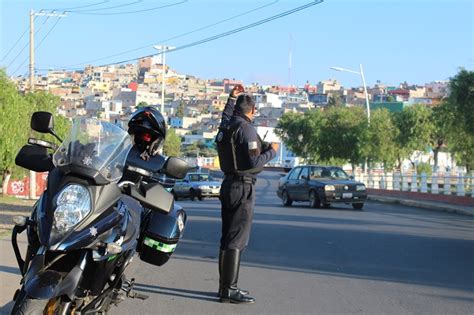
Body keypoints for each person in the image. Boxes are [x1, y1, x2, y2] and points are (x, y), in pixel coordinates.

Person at [215, 85, 279, 304]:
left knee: (227, 238)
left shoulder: (226, 126)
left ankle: (224, 287)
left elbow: (226, 115)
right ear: (252, 110)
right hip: (242, 186)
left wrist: (231, 98)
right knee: (236, 239)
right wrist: (272, 151)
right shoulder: (247, 129)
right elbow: (253, 162)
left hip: (228, 184)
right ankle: (229, 289)